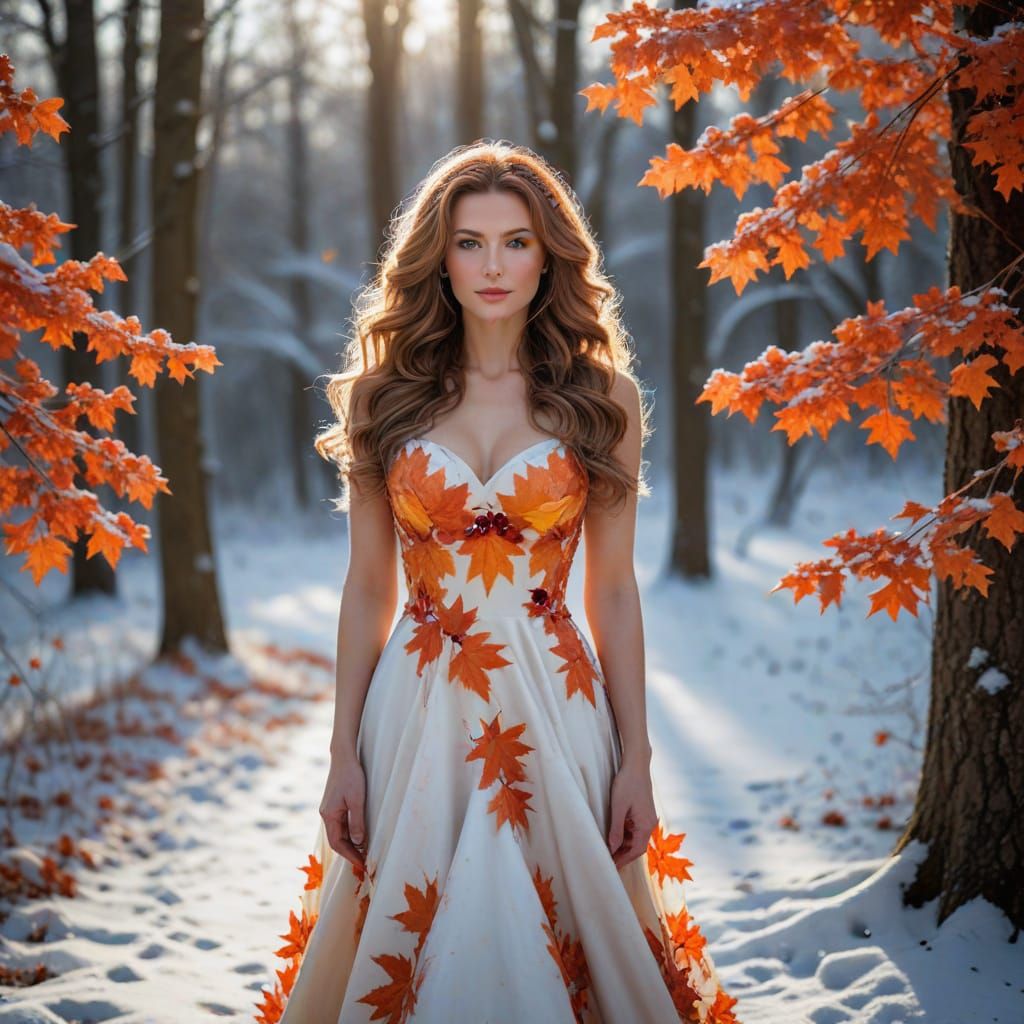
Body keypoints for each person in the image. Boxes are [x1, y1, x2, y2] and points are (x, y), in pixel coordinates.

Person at [257, 140, 739, 1024]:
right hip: (417, 713)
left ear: (550, 252)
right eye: (469, 242)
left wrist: (637, 759)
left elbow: (616, 592)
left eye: (516, 241)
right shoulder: (383, 398)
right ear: (437, 257)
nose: (492, 265)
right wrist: (339, 757)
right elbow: (369, 586)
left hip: (555, 705)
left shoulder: (604, 398)